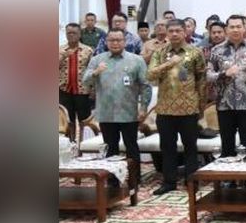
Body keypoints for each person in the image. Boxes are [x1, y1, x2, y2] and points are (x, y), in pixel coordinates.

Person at [146, 20, 207, 195]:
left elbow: (202, 81)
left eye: (178, 30)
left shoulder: (195, 52)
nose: (174, 34)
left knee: (190, 147)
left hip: (189, 108)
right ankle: (169, 182)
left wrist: (201, 106)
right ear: (166, 33)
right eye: (171, 31)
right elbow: (150, 75)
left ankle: (192, 181)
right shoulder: (159, 53)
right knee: (167, 148)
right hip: (165, 109)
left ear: (184, 32)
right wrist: (168, 64)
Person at [82, 28, 151, 178]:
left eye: (118, 40)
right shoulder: (97, 60)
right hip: (106, 113)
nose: (115, 43)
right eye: (111, 40)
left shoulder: (136, 60)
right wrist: (96, 72)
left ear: (124, 42)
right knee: (110, 148)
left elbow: (145, 85)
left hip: (128, 112)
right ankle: (112, 180)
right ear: (106, 42)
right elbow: (85, 81)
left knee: (131, 146)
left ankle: (134, 179)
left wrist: (144, 107)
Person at [207, 15, 246, 160]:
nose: (235, 30)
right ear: (226, 29)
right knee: (227, 146)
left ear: (245, 28)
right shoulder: (216, 50)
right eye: (232, 27)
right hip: (224, 104)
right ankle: (229, 173)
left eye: (239, 26)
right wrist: (224, 74)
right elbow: (208, 76)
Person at [59, 23, 95, 142]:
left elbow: (93, 72)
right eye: (69, 33)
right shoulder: (59, 50)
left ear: (80, 34)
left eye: (74, 33)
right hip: (64, 90)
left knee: (85, 120)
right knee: (67, 120)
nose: (71, 35)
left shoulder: (88, 50)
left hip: (83, 91)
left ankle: (84, 144)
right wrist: (63, 56)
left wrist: (93, 90)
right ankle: (70, 144)